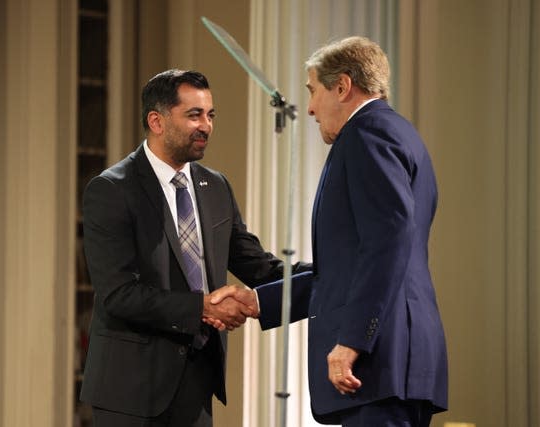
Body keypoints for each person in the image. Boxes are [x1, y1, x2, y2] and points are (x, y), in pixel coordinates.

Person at [210, 36, 448, 426]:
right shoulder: (395, 132)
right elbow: (350, 267)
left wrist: (353, 339)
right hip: (391, 362)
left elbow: (389, 244)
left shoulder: (368, 135)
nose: (309, 108)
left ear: (342, 87)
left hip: (378, 360)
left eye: (313, 91)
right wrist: (258, 301)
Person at [79, 69, 308, 427]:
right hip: (130, 390)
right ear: (156, 121)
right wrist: (202, 307)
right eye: (194, 115)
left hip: (198, 382)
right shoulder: (111, 190)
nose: (206, 125)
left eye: (210, 115)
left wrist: (325, 273)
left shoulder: (215, 187)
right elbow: (118, 295)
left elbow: (258, 267)